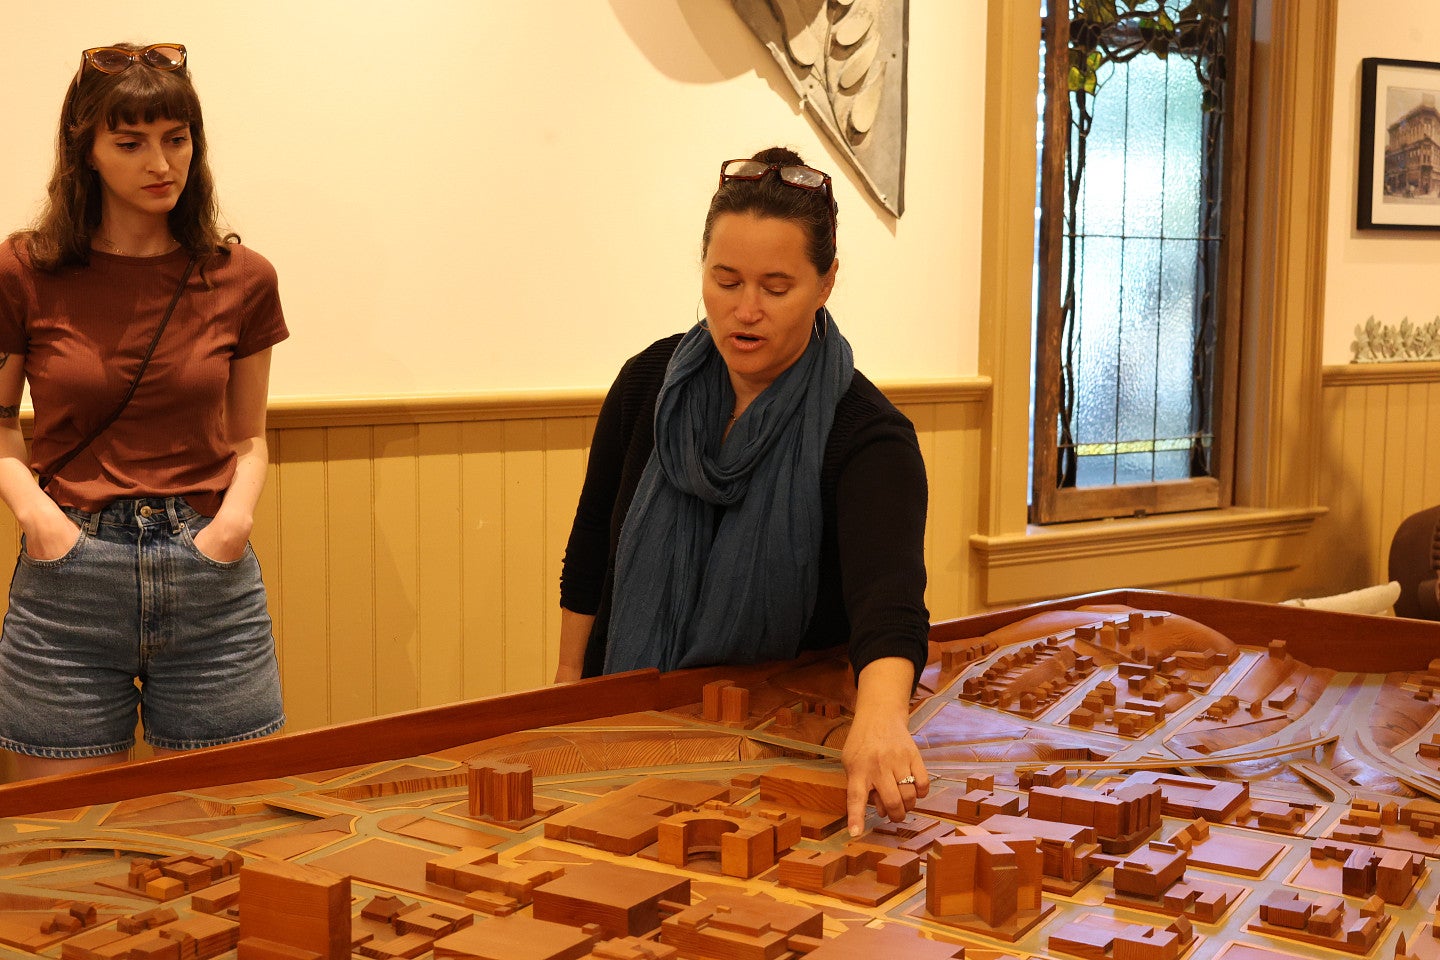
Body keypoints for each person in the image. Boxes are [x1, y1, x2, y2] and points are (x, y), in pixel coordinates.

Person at [558, 146, 930, 835]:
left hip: (772, 761)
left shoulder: (867, 437)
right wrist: (563, 699)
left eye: (776, 287)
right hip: (624, 734)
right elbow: (589, 563)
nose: (746, 310)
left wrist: (881, 719)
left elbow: (891, 605)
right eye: (725, 280)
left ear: (826, 284)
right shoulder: (647, 383)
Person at [0, 42, 288, 781]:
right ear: (85, 150)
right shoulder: (25, 271)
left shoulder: (243, 277)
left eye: (176, 138)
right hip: (70, 578)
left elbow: (249, 437)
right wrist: (40, 522)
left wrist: (232, 528)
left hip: (209, 572)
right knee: (64, 852)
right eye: (130, 143)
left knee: (226, 840)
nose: (161, 164)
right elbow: (1, 427)